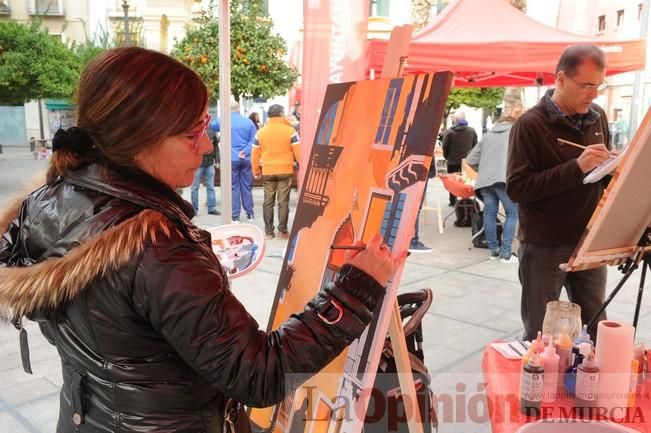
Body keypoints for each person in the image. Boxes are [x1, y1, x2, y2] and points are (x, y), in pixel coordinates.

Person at [0, 47, 403, 433]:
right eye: (195, 133)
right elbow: (259, 375)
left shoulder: (45, 200)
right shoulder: (156, 247)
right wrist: (355, 289)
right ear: (142, 137)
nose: (207, 147)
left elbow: (120, 321)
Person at [506, 44, 612, 341]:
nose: (593, 93)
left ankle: (590, 386)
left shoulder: (597, 116)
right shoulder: (530, 125)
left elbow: (599, 174)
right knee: (543, 335)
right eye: (586, 85)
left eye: (599, 85)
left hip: (588, 240)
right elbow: (518, 188)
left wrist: (614, 167)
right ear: (562, 79)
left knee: (596, 327)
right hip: (544, 245)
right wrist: (576, 167)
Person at [466, 114, 519, 263]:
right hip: (505, 179)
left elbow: (471, 160)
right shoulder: (515, 133)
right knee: (512, 213)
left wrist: (483, 170)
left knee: (489, 213)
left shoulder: (487, 136)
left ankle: (493, 250)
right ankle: (506, 253)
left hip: (485, 181)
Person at [251, 104, 300, 240]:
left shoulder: (261, 132)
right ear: (281, 114)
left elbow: (254, 153)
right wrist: (301, 165)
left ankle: (268, 232)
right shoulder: (290, 131)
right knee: (283, 202)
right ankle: (282, 232)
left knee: (268, 201)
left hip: (268, 170)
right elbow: (298, 151)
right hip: (285, 170)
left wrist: (255, 170)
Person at [211, 100, 256, 222]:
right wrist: (245, 151)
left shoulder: (224, 121)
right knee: (246, 186)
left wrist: (224, 114)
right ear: (239, 108)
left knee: (234, 187)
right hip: (245, 159)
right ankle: (250, 213)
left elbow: (212, 124)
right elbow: (253, 140)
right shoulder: (249, 122)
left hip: (231, 158)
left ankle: (235, 216)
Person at [442, 111, 477, 206]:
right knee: (466, 181)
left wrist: (447, 156)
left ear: (455, 120)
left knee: (453, 181)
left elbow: (445, 146)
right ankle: (466, 199)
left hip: (452, 161)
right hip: (467, 162)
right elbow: (475, 146)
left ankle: (453, 201)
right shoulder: (471, 131)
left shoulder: (449, 132)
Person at [190, 126, 220, 215]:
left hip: (209, 163)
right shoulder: (195, 131)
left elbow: (216, 148)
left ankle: (212, 208)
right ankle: (194, 209)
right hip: (198, 164)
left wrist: (217, 160)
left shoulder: (212, 131)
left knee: (210, 187)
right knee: (194, 187)